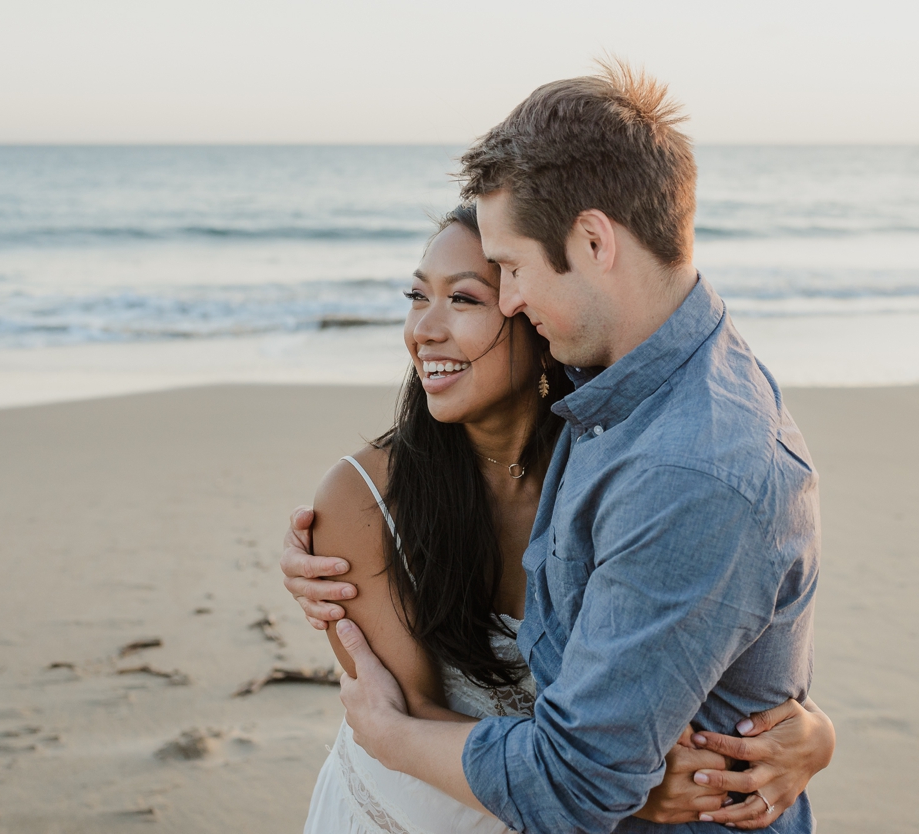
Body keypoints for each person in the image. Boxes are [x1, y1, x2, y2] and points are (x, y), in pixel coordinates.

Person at [282, 61, 832, 832]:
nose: (509, 300)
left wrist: (392, 736)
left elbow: (575, 785)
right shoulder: (615, 389)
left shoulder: (687, 466)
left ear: (594, 240)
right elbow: (707, 630)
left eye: (507, 271)